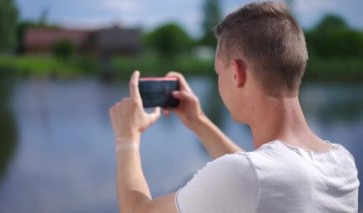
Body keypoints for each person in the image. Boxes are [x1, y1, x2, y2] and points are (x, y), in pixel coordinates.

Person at [109, 1, 359, 212]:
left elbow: (137, 210)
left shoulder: (247, 177)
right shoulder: (342, 163)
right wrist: (197, 121)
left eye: (219, 72)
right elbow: (261, 173)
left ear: (237, 73)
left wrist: (127, 138)